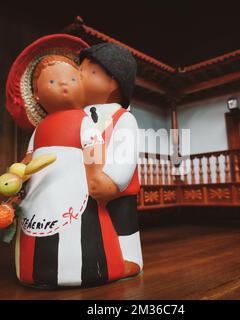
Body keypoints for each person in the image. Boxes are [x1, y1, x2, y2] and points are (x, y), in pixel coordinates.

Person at [5, 34, 107, 287]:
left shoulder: (85, 121)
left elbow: (94, 147)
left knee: (77, 229)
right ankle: (34, 270)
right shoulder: (39, 130)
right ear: (37, 94)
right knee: (35, 224)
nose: (64, 85)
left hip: (76, 183)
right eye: (52, 81)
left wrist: (95, 174)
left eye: (73, 79)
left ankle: (82, 269)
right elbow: (29, 156)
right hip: (40, 187)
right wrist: (19, 175)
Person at [79, 43, 143, 285]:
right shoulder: (78, 117)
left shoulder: (124, 118)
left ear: (114, 81)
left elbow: (125, 154)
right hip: (85, 188)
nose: (79, 76)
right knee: (92, 230)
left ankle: (130, 258)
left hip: (116, 190)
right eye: (79, 71)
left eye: (90, 72)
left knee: (122, 226)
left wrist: (113, 180)